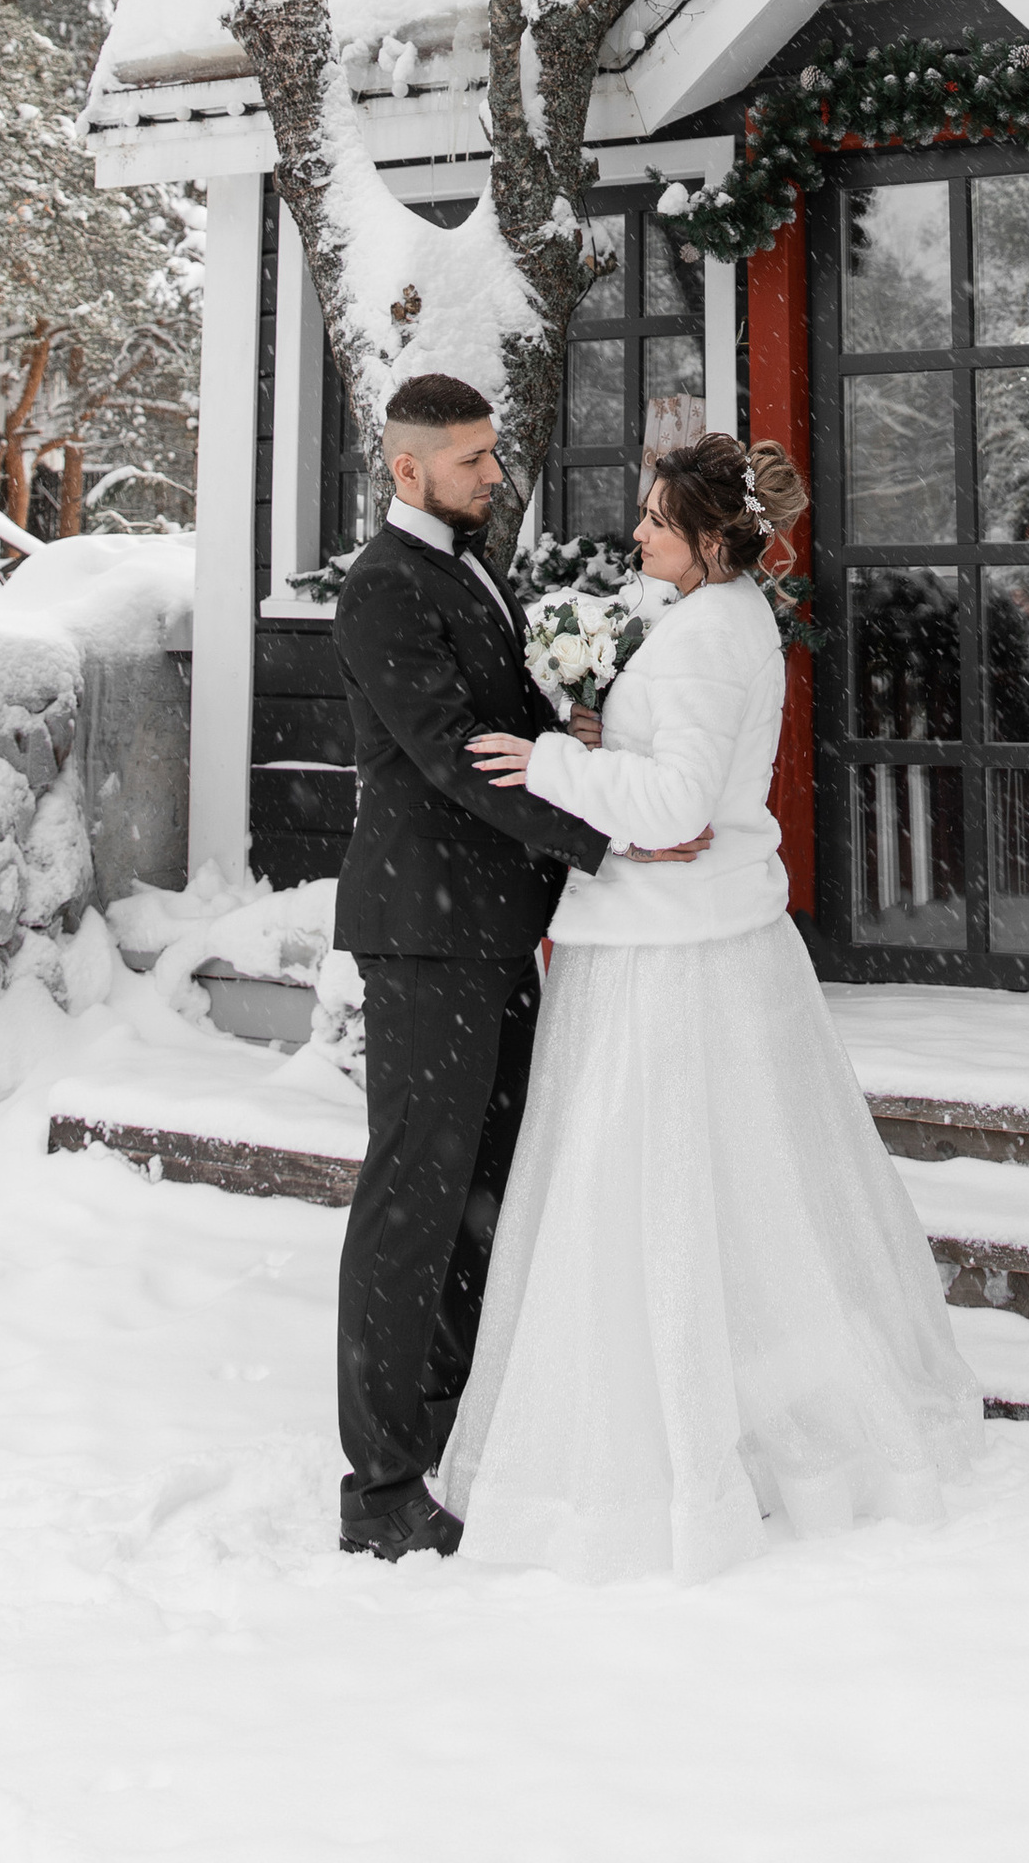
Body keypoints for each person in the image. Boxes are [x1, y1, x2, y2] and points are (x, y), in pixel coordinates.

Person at [443, 431, 983, 1583]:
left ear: (706, 541)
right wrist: (602, 742)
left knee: (644, 1193)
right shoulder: (726, 622)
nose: (633, 534)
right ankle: (751, 1415)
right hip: (705, 930)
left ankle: (667, 1458)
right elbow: (678, 784)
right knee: (745, 1194)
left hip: (665, 955)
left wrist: (547, 762)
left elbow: (677, 800)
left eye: (653, 523)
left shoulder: (700, 642)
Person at [328, 371, 710, 1561]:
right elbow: (452, 758)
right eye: (473, 460)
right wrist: (610, 833)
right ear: (408, 469)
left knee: (487, 1189)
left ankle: (450, 1420)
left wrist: (577, 740)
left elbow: (507, 721)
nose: (497, 474)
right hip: (427, 939)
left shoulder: (464, 564)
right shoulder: (384, 590)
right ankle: (380, 1485)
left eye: (493, 454)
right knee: (412, 1203)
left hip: (492, 930)